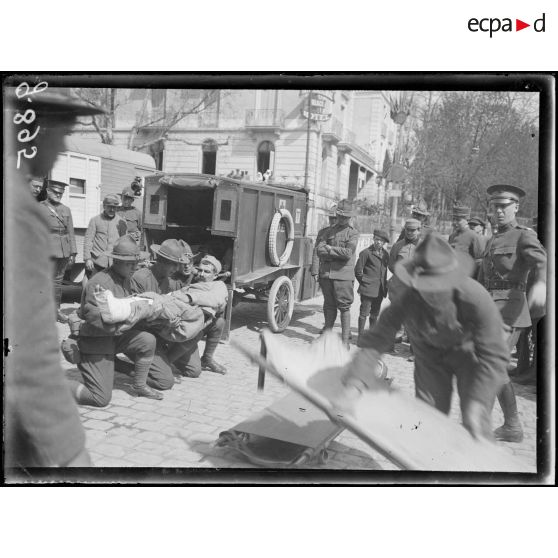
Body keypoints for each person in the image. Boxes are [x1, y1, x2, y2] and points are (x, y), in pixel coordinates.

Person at [4, 86, 103, 468]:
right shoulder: (19, 207)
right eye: (62, 133)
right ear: (33, 130)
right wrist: (70, 451)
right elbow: (28, 354)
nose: (62, 148)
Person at [339, 233, 509, 440]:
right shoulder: (408, 299)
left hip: (469, 355)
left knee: (476, 421)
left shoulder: (476, 298)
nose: (431, 292)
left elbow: (495, 355)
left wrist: (479, 402)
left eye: (439, 285)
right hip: (429, 355)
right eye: (426, 285)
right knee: (428, 419)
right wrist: (355, 382)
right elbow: (376, 341)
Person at [479, 184, 547, 442]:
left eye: (504, 206)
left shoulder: (523, 235)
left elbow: (541, 260)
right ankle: (512, 426)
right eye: (495, 206)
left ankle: (482, 424)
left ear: (516, 207)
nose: (498, 211)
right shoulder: (493, 239)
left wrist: (540, 284)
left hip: (511, 310)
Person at [71, 235, 173, 405]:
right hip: (95, 339)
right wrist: (127, 324)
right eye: (129, 263)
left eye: (136, 262)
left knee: (147, 340)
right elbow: (94, 319)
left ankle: (139, 384)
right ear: (116, 261)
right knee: (100, 398)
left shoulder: (127, 279)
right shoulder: (100, 283)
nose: (134, 267)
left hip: (116, 336)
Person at [167, 255, 229, 377]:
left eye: (207, 272)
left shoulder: (218, 286)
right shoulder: (190, 285)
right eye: (200, 270)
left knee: (217, 322)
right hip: (180, 329)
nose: (201, 274)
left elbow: (216, 300)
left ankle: (207, 358)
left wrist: (189, 298)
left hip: (194, 330)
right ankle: (165, 361)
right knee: (194, 371)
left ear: (215, 276)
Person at [314, 199, 359, 348]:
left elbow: (347, 253)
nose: (342, 219)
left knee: (344, 308)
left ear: (350, 218)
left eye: (345, 217)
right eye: (340, 216)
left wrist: (329, 249)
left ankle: (345, 341)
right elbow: (319, 250)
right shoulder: (328, 231)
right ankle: (327, 337)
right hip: (327, 275)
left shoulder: (352, 234)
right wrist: (329, 251)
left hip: (343, 277)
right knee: (329, 306)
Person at [39, 179, 78, 323]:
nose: (58, 195)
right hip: (47, 250)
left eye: (61, 193)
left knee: (57, 282)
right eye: (55, 192)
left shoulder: (66, 209)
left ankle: (55, 311)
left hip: (63, 250)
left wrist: (73, 252)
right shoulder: (40, 207)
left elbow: (71, 231)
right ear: (48, 191)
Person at [354, 229, 389, 346]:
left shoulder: (386, 255)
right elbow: (358, 271)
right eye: (377, 239)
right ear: (373, 239)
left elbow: (384, 272)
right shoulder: (366, 253)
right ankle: (360, 337)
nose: (378, 242)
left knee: (375, 314)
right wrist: (365, 283)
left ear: (384, 242)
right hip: (368, 289)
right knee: (364, 313)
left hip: (380, 290)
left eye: (381, 240)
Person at [83, 194, 127, 278]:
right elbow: (88, 240)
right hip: (97, 261)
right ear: (104, 206)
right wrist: (87, 259)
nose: (112, 209)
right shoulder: (95, 220)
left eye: (115, 207)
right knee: (92, 286)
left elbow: (124, 242)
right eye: (109, 206)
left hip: (114, 263)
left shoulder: (122, 222)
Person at [448, 204, 484, 270]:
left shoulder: (473, 236)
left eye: (458, 220)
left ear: (467, 220)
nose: (454, 222)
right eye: (453, 219)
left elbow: (480, 260)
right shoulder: (452, 236)